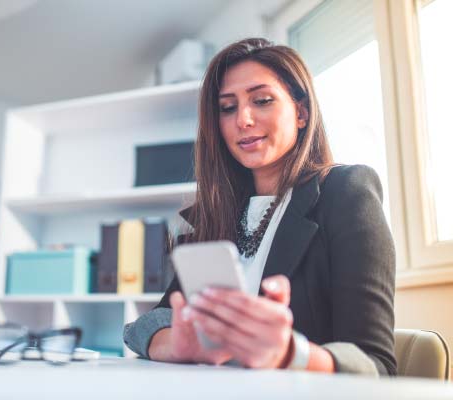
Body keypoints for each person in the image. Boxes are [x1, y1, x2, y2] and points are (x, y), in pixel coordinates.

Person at [123, 38, 396, 376]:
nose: (244, 120)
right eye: (227, 108)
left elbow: (378, 365)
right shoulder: (219, 214)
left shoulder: (346, 191)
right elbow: (147, 324)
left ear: (301, 112)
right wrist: (175, 345)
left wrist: (289, 354)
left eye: (262, 100)